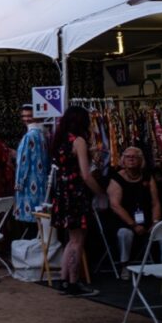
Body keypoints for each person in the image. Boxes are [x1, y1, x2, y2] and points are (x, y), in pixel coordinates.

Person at [50, 105, 104, 297]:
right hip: (76, 193)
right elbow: (86, 175)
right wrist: (100, 193)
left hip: (62, 192)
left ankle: (65, 281)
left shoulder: (59, 140)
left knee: (70, 240)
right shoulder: (78, 141)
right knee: (77, 240)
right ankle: (73, 282)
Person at [107, 146, 162, 279]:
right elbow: (115, 206)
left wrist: (155, 222)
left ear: (141, 160)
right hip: (124, 221)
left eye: (134, 157)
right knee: (125, 233)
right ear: (123, 160)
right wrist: (133, 225)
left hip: (146, 219)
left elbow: (155, 202)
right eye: (128, 157)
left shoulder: (148, 177)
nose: (131, 159)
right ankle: (124, 265)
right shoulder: (116, 178)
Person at [14, 104, 50, 231]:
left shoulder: (29, 136)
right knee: (40, 222)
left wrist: (19, 183)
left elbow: (23, 163)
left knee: (32, 223)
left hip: (30, 185)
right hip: (41, 184)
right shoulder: (43, 135)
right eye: (24, 116)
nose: (26, 119)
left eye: (29, 115)